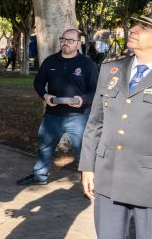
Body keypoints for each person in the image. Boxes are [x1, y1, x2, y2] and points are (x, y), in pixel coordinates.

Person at [79, 1, 152, 239]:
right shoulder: (111, 69)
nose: (134, 29)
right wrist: (88, 167)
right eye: (136, 24)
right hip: (109, 179)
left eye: (144, 27)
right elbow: (95, 122)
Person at [16, 29, 98, 186]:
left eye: (70, 40)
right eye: (63, 39)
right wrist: (45, 96)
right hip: (52, 116)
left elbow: (96, 90)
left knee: (84, 151)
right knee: (44, 147)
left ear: (79, 44)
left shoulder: (88, 65)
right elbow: (38, 82)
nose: (65, 43)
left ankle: (90, 185)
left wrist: (83, 99)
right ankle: (39, 176)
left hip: (79, 116)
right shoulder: (50, 61)